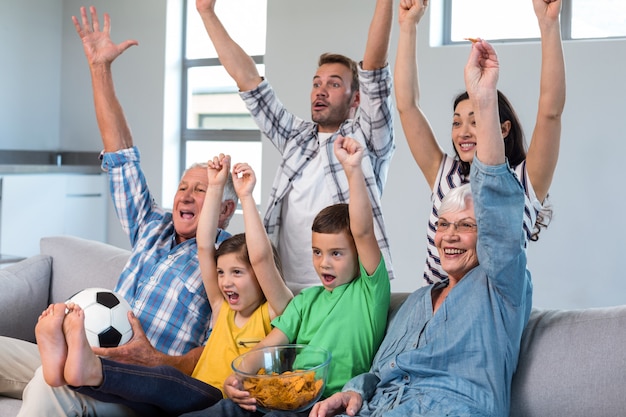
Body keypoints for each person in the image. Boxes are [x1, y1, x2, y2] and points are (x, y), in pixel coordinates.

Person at [2, 6, 237, 417]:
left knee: (48, 385)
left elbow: (224, 350)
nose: (185, 195)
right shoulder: (151, 226)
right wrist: (99, 68)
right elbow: (122, 156)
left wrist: (157, 361)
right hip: (84, 355)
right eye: (183, 186)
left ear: (225, 209)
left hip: (137, 385)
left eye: (201, 190)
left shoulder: (227, 261)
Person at [309, 38, 532, 417]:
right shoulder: (416, 300)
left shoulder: (501, 287)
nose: (449, 235)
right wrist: (352, 392)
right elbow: (377, 373)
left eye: (465, 226)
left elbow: (496, 202)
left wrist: (484, 97)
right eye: (443, 225)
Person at [34, 156, 294, 417]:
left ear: (261, 278)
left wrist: (246, 197)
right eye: (221, 273)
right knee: (144, 390)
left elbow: (261, 258)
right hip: (179, 396)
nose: (225, 282)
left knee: (163, 377)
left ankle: (91, 369)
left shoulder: (274, 312)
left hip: (211, 396)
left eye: (237, 273)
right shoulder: (222, 307)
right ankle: (69, 368)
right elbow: (204, 244)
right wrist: (214, 187)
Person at [181, 135, 392, 417]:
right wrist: (240, 374)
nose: (324, 263)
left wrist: (353, 170)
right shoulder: (306, 300)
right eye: (317, 252)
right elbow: (270, 344)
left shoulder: (369, 292)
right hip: (280, 393)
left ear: (358, 253)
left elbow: (364, 231)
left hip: (323, 405)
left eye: (336, 254)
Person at [196, 0, 396, 293]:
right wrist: (207, 13)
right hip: (284, 288)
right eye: (317, 83)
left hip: (345, 289)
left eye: (335, 84)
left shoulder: (366, 139)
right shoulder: (296, 137)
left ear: (356, 99)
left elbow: (375, 72)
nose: (321, 90)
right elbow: (249, 82)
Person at [394, 0, 565, 284]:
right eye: (457, 122)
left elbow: (551, 113)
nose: (463, 132)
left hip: (485, 310)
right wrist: (408, 26)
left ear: (504, 128)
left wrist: (549, 25)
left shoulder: (523, 182)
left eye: (475, 120)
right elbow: (407, 106)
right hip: (432, 309)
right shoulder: (445, 175)